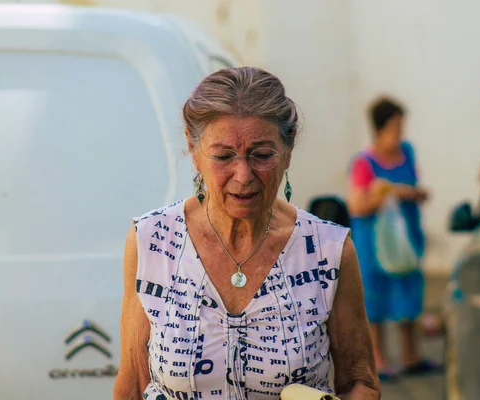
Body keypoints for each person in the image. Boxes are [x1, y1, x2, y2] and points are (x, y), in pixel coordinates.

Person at [114, 67, 380, 400]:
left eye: (262, 155)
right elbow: (132, 382)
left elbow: (361, 381)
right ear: (193, 149)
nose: (243, 175)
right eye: (224, 156)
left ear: (288, 149)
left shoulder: (328, 250)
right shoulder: (152, 241)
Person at [347, 97, 441, 382]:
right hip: (374, 246)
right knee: (376, 302)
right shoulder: (364, 163)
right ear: (380, 128)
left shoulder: (407, 153)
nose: (400, 133)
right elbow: (356, 206)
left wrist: (411, 193)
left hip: (405, 241)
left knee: (409, 296)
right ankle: (379, 360)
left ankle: (412, 356)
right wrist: (383, 193)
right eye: (396, 127)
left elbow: (413, 187)